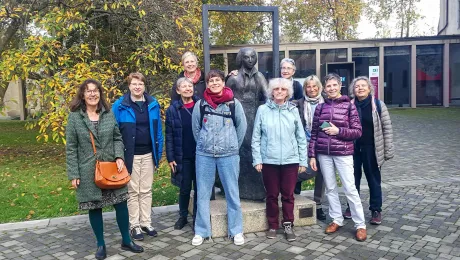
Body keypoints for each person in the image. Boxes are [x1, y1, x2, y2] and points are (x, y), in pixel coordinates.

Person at [66, 79, 143, 260]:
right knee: (94, 206)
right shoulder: (75, 117)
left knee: (121, 203)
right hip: (87, 169)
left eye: (96, 91)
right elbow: (71, 147)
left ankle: (126, 240)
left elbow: (117, 137)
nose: (92, 94)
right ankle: (101, 244)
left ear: (100, 93)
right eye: (88, 91)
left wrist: (119, 156)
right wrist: (74, 174)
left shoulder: (108, 113)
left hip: (111, 168)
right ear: (82, 95)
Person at [191, 69, 247, 246]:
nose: (214, 83)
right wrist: (204, 144)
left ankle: (236, 230)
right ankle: (202, 231)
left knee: (232, 193)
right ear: (207, 84)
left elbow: (242, 128)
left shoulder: (233, 104)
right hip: (205, 155)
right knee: (203, 194)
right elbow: (196, 130)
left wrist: (232, 146)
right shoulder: (201, 105)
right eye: (211, 81)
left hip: (229, 155)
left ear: (223, 82)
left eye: (217, 80)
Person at [308, 73, 367, 242]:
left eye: (334, 85)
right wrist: (312, 154)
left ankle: (360, 224)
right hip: (324, 154)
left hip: (343, 153)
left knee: (350, 188)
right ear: (324, 89)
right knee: (331, 189)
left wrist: (338, 131)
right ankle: (337, 219)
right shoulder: (320, 107)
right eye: (328, 86)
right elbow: (314, 133)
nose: (332, 88)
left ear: (340, 85)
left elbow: (357, 131)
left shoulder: (350, 106)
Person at [252, 78, 308, 242]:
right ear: (271, 91)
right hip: (269, 160)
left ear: (288, 92)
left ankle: (288, 223)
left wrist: (302, 161)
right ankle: (273, 225)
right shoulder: (262, 110)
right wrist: (257, 159)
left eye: (283, 89)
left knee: (288, 195)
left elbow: (300, 137)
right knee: (271, 195)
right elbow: (256, 136)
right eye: (276, 89)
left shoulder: (293, 110)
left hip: (291, 161)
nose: (279, 92)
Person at [112, 72, 163, 241]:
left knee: (146, 190)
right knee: (133, 191)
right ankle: (134, 225)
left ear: (144, 86)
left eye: (140, 84)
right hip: (130, 155)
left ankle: (146, 222)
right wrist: (117, 155)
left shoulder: (153, 104)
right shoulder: (120, 105)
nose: (137, 87)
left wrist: (159, 152)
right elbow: (114, 133)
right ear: (129, 86)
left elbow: (158, 132)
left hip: (149, 154)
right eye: (134, 84)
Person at [343, 76, 394, 225]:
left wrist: (388, 149)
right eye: (357, 86)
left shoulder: (378, 105)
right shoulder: (348, 105)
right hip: (353, 149)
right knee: (352, 181)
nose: (360, 88)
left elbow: (387, 128)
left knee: (373, 180)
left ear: (369, 88)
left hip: (371, 148)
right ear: (353, 89)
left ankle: (376, 210)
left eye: (363, 86)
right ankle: (351, 207)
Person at [165, 77, 199, 230]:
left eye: (189, 86)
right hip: (182, 155)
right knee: (185, 188)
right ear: (178, 90)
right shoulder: (172, 110)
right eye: (183, 86)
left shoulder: (201, 105)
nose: (187, 88)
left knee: (200, 188)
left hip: (200, 155)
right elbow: (169, 135)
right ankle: (183, 216)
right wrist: (170, 157)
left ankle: (198, 217)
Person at [293, 75, 327, 221]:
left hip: (324, 142)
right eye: (308, 86)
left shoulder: (327, 102)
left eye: (314, 86)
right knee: (304, 170)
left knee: (322, 174)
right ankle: (292, 196)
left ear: (319, 87)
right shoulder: (298, 103)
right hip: (305, 143)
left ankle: (318, 204)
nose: (311, 89)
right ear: (304, 88)